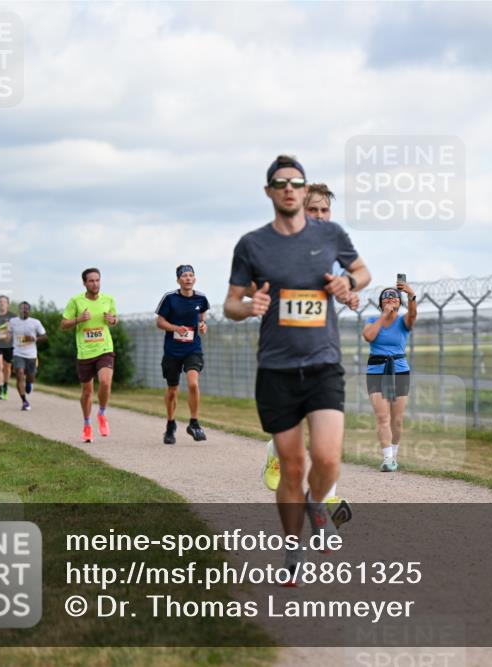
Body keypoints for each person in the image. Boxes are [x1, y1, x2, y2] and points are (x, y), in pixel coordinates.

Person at [225, 155, 370, 583]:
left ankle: (316, 500)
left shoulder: (331, 236)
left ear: (305, 191)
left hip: (324, 363)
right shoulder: (252, 245)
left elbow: (361, 271)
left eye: (297, 182)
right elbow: (231, 303)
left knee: (327, 457)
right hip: (277, 368)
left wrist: (350, 283)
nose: (290, 188)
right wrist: (250, 306)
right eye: (280, 182)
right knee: (291, 466)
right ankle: (293, 548)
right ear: (270, 191)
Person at [363, 279, 418, 471]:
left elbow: (413, 315)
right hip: (376, 370)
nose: (390, 299)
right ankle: (387, 458)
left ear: (400, 301)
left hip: (399, 371)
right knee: (382, 417)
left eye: (394, 296)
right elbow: (368, 336)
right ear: (380, 303)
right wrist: (383, 315)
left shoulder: (403, 321)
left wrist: (411, 295)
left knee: (397, 419)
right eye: (386, 297)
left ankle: (394, 454)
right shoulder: (371, 320)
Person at [61, 268, 118, 443]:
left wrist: (113, 320)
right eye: (91, 281)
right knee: (87, 392)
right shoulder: (75, 301)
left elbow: (115, 319)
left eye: (97, 280)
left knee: (106, 382)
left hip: (104, 349)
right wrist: (78, 319)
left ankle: (101, 413)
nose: (95, 284)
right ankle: (87, 425)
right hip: (85, 352)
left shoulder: (108, 299)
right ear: (85, 283)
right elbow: (63, 324)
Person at [156, 264, 210, 444]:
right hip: (172, 350)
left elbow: (202, 321)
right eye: (184, 276)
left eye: (191, 275)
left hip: (192, 349)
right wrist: (175, 328)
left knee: (193, 384)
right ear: (178, 280)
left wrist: (202, 326)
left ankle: (194, 423)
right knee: (172, 390)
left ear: (195, 279)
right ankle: (170, 425)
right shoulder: (170, 298)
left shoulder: (201, 299)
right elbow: (160, 322)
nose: (188, 278)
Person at [7, 301, 47, 411]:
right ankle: (24, 401)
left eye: (26, 309)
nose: (24, 310)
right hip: (18, 353)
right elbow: (8, 334)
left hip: (31, 355)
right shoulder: (13, 322)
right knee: (19, 373)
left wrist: (35, 339)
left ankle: (29, 383)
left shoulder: (35, 322)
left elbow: (44, 336)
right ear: (18, 310)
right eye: (22, 308)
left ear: (29, 310)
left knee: (31, 377)